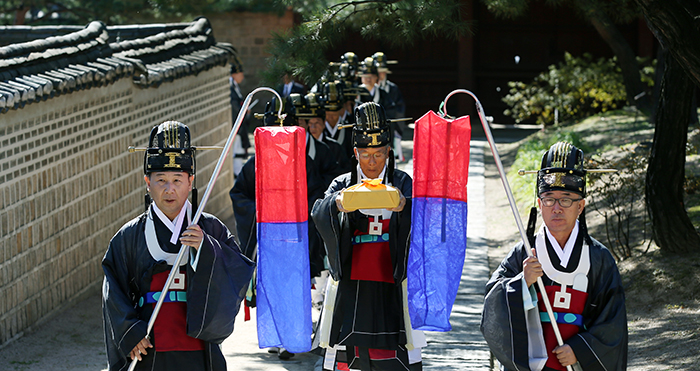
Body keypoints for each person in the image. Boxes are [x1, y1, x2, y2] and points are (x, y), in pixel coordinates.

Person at [102, 121, 254, 371]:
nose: (169, 189)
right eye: (160, 180)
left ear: (191, 181)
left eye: (177, 179)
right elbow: (113, 289)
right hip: (149, 346)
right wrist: (129, 331)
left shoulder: (211, 229)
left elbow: (238, 273)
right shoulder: (129, 236)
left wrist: (207, 249)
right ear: (147, 182)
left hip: (199, 348)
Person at [480, 142, 628, 371]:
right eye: (549, 199)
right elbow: (493, 301)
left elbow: (612, 321)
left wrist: (580, 349)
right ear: (539, 204)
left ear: (580, 206)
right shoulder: (524, 253)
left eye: (566, 199)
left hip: (575, 363)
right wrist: (521, 282)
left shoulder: (599, 258)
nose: (557, 208)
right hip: (533, 362)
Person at [312, 102, 424, 371]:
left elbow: (423, 220)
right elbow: (318, 213)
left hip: (392, 279)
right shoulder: (342, 184)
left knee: (395, 351)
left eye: (378, 154)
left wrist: (403, 206)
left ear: (388, 151)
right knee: (348, 355)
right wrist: (338, 203)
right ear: (355, 153)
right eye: (365, 154)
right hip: (352, 278)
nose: (372, 162)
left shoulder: (402, 181)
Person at [228, 98, 340, 359]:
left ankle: (293, 337)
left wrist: (298, 210)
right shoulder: (254, 164)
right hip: (268, 236)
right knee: (271, 288)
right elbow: (239, 194)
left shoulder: (302, 162)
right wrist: (260, 210)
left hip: (295, 236)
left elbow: (315, 197)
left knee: (294, 287)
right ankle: (275, 336)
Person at [372, 52, 406, 162]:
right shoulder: (367, 90)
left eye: (383, 71)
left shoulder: (392, 88)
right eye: (378, 71)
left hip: (390, 126)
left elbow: (399, 108)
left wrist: (396, 126)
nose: (381, 74)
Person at [229, 55, 251, 177]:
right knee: (236, 150)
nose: (242, 76)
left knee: (239, 150)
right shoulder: (230, 88)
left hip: (239, 124)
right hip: (235, 124)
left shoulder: (235, 87)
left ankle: (238, 172)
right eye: (240, 74)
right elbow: (234, 106)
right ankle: (236, 174)